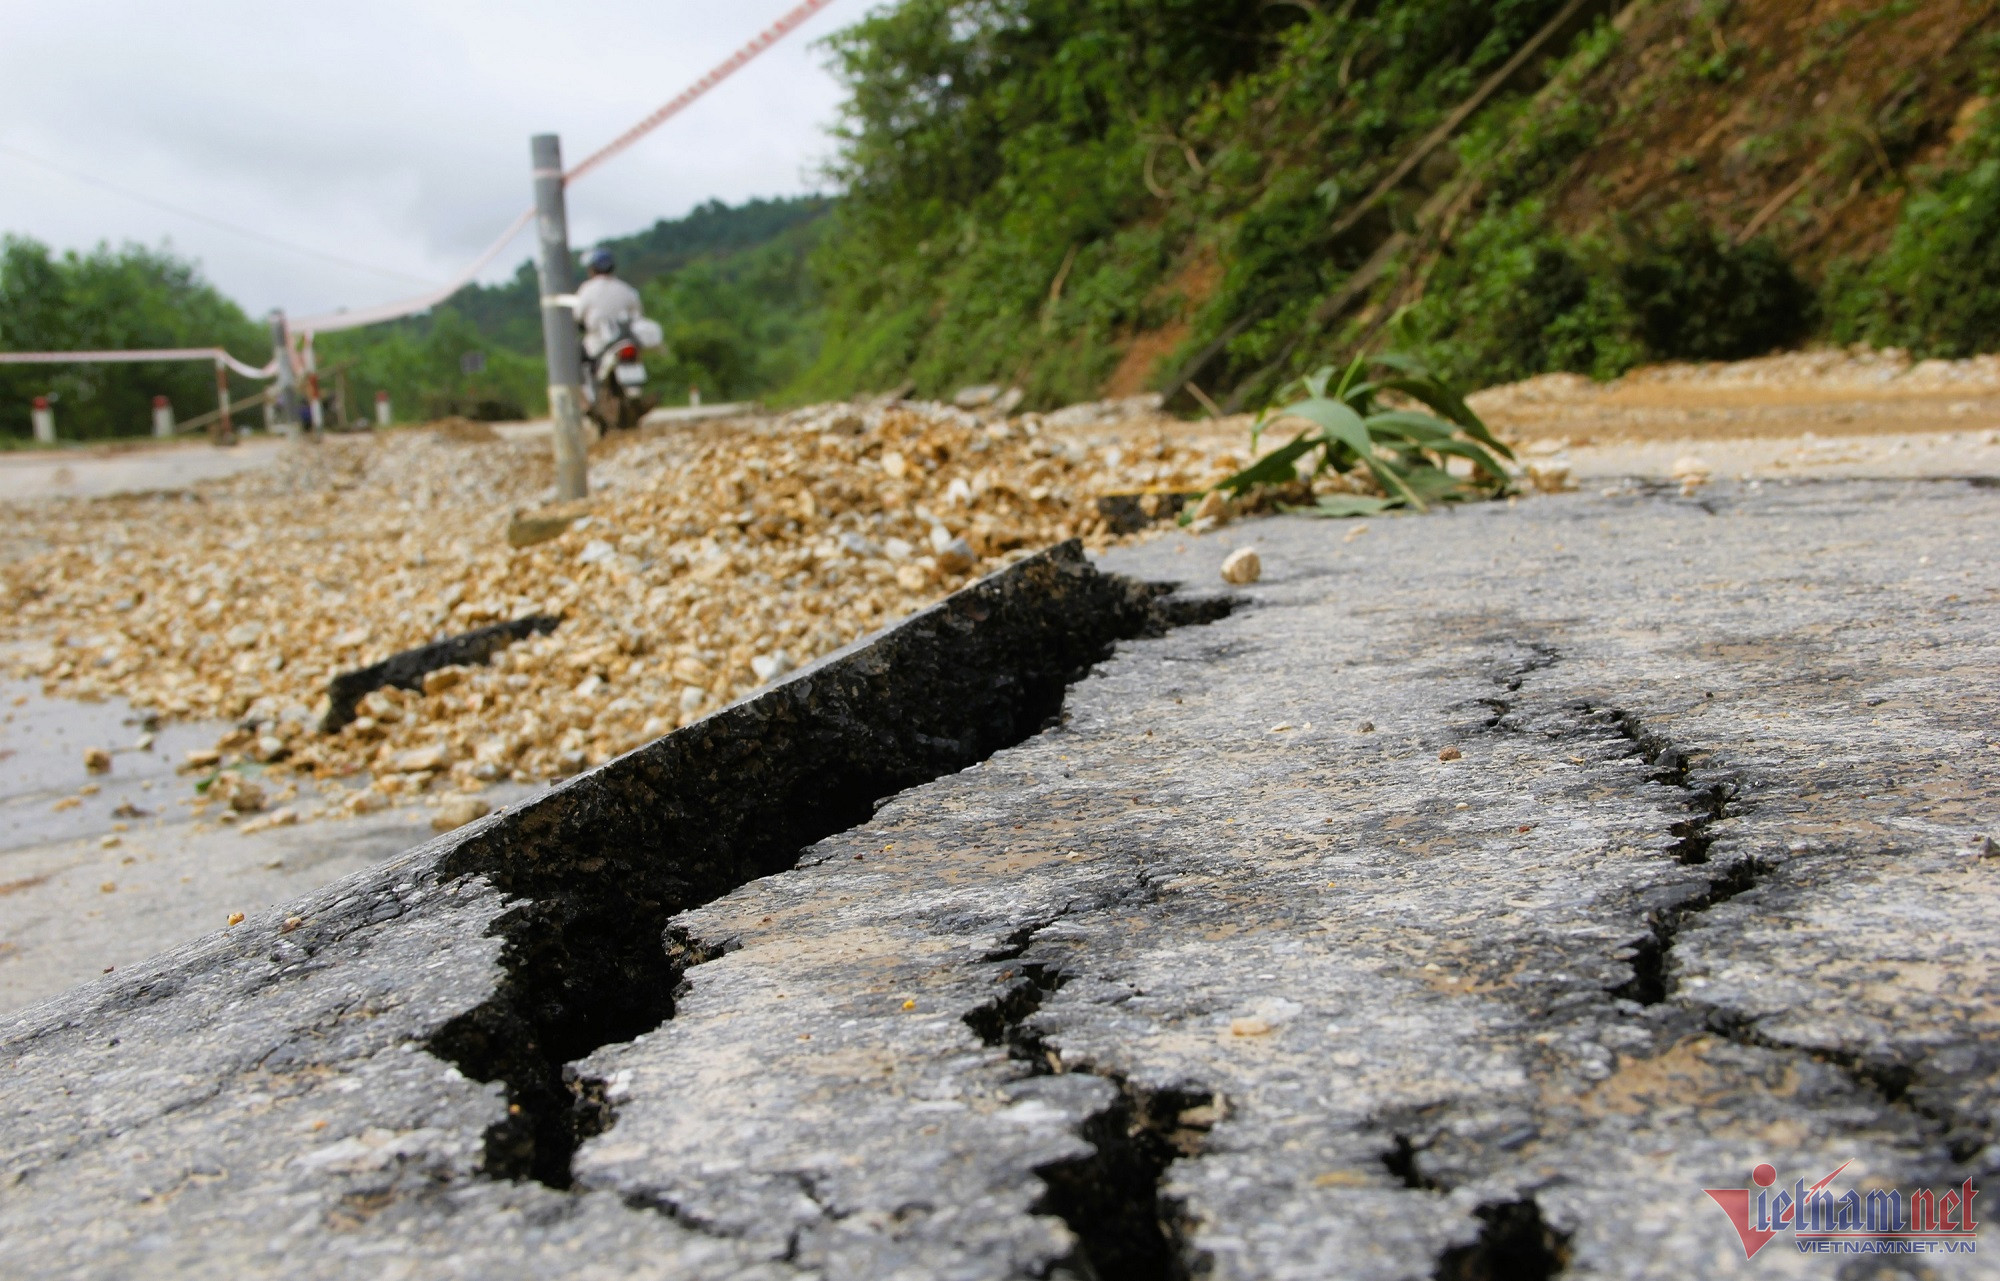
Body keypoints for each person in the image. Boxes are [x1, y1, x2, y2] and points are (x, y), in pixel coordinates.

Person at [574, 249, 642, 361]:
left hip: (598, 341)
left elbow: (577, 315)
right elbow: (637, 314)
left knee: (578, 353)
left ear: (592, 269)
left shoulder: (587, 289)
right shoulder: (626, 288)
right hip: (625, 339)